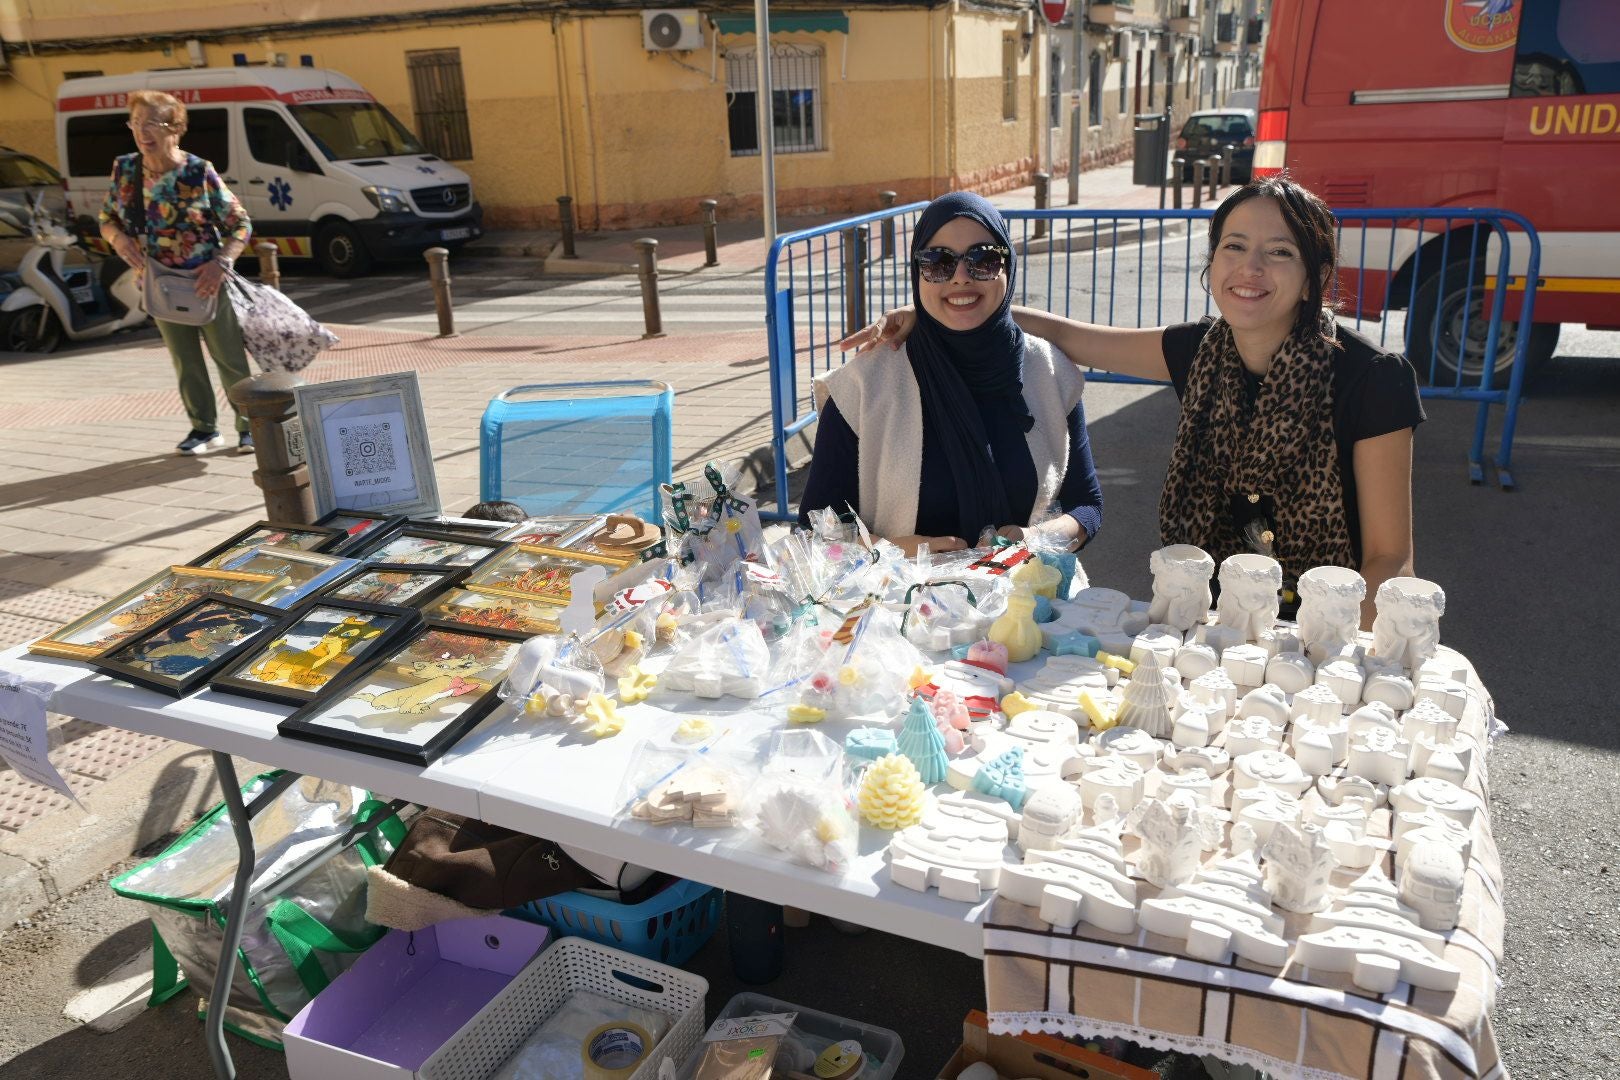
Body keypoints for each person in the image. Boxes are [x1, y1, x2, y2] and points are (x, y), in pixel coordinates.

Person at [842, 177, 1423, 625]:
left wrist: (1330, 648)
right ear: (1212, 262)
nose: (1250, 268)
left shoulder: (1371, 379)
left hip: (1323, 631)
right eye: (1234, 246)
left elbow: (1389, 559)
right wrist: (942, 310)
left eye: (1280, 252)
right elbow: (1074, 336)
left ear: (1316, 274)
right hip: (1208, 620)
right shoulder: (1204, 351)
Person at [799, 191, 1104, 557]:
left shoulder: (1050, 371)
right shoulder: (865, 386)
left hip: (1030, 603)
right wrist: (891, 552)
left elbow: (1086, 506)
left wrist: (1035, 540)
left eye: (983, 259)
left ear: (1008, 267)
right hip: (901, 606)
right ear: (917, 273)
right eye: (938, 261)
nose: (960, 277)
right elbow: (815, 527)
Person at [99, 90, 255, 456]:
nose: (142, 131)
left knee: (229, 358)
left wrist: (221, 263)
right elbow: (107, 219)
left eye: (150, 122)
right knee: (184, 359)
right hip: (159, 282)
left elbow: (241, 224)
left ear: (176, 128)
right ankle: (204, 429)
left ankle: (249, 426)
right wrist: (118, 239)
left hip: (206, 280)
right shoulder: (126, 169)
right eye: (135, 122)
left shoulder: (199, 171)